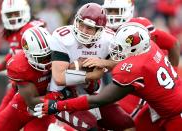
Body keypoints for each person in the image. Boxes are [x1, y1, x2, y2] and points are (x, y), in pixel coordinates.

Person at [34, 22, 182, 131]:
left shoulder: (133, 69)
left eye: (120, 49)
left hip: (175, 114)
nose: (116, 52)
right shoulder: (150, 46)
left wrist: (57, 106)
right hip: (165, 103)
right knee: (132, 127)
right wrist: (104, 62)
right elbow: (135, 64)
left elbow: (98, 100)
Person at [47, 3, 135, 131]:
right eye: (81, 24)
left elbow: (124, 64)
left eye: (89, 28)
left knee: (126, 124)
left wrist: (103, 63)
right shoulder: (63, 37)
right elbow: (59, 77)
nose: (83, 30)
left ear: (100, 30)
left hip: (90, 93)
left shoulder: (109, 39)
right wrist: (91, 74)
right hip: (61, 96)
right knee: (91, 127)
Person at [102, 1, 180, 129]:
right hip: (119, 79)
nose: (112, 15)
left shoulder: (139, 26)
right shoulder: (100, 29)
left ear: (129, 10)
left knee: (127, 123)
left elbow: (172, 43)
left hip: (143, 84)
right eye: (109, 11)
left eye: (117, 10)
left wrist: (173, 73)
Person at [0, 26, 75, 131]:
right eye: (42, 58)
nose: (47, 61)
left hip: (46, 111)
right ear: (28, 56)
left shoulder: (60, 54)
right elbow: (32, 102)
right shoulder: (20, 67)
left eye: (50, 55)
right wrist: (60, 95)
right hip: (25, 105)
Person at [0, 0, 46, 115]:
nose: (13, 18)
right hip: (19, 84)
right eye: (9, 15)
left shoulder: (31, 30)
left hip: (34, 85)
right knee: (1, 117)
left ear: (25, 12)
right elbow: (14, 54)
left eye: (16, 13)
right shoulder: (13, 32)